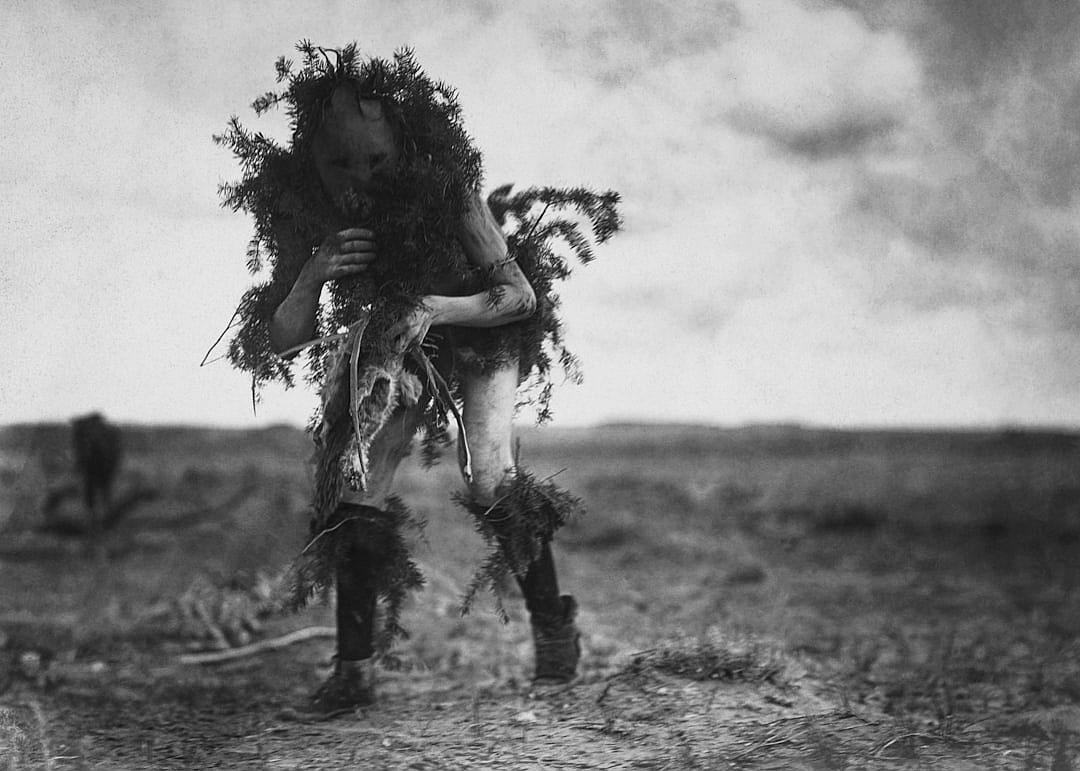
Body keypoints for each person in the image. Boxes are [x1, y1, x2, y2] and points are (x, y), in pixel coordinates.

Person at [267, 80, 581, 717]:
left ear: (403, 148)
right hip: (403, 338)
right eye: (340, 164)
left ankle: (554, 629)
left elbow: (519, 296)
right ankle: (352, 673)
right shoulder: (307, 212)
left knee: (492, 476)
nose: (359, 180)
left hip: (483, 330)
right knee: (355, 484)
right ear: (313, 157)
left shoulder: (449, 194)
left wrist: (436, 308)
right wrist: (312, 273)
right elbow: (281, 339)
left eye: (375, 162)